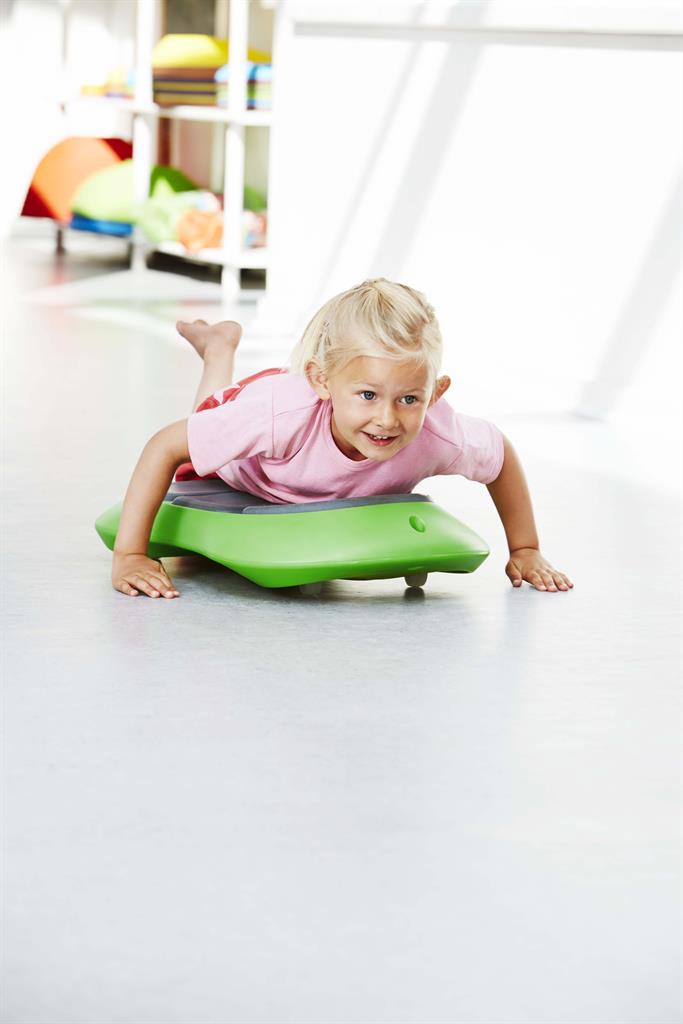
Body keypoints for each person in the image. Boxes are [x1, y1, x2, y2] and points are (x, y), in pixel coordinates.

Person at [111, 278, 573, 599]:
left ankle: (219, 347)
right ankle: (218, 351)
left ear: (436, 393)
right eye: (368, 395)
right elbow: (165, 446)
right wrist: (130, 554)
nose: (387, 419)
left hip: (294, 415)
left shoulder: (436, 431)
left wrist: (525, 549)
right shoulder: (278, 417)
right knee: (210, 420)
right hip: (254, 445)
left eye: (409, 398)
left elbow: (499, 455)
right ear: (322, 381)